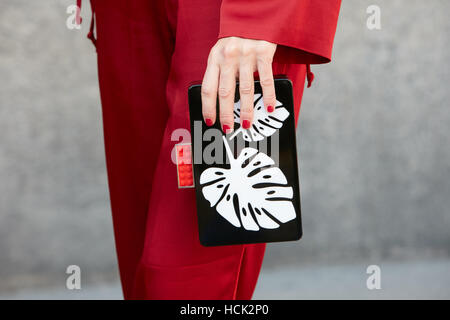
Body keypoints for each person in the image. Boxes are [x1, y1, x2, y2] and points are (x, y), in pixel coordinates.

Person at [79, 0, 341, 299]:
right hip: (126, 11)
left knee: (185, 274)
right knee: (137, 252)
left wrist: (259, 18)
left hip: (227, 11)